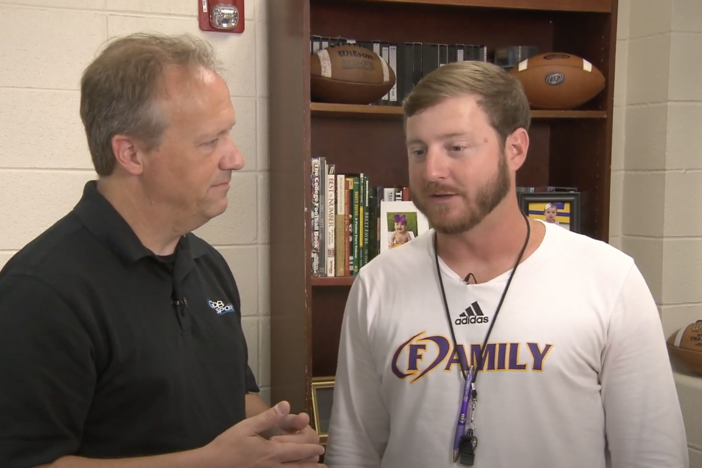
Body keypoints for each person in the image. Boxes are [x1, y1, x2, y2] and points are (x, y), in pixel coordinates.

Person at [325, 60, 688, 468]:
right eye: (418, 150)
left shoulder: (607, 279)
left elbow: (652, 454)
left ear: (514, 149)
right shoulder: (378, 283)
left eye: (456, 147)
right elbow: (353, 449)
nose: (432, 171)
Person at [0, 33, 325, 468]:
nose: (235, 158)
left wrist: (271, 431)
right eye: (210, 141)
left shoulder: (208, 265)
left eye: (229, 133)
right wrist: (209, 463)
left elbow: (233, 394)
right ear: (131, 153)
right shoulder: (42, 291)